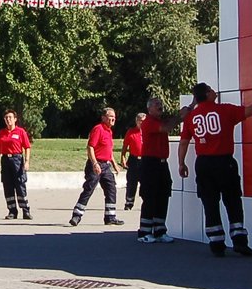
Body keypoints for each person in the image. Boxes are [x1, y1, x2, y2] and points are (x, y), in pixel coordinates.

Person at [178, 82, 252, 257]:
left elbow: (184, 142)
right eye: (211, 90)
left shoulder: (191, 117)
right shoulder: (224, 110)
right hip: (224, 162)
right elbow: (250, 110)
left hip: (203, 164)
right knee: (233, 201)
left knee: (210, 203)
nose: (214, 91)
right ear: (208, 94)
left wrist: (181, 163)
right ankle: (239, 240)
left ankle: (216, 242)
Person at [69, 108, 128, 228]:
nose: (113, 119)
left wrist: (114, 164)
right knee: (89, 189)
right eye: (110, 116)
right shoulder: (98, 129)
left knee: (111, 189)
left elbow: (108, 150)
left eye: (114, 117)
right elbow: (90, 147)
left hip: (106, 166)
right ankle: (76, 215)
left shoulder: (109, 131)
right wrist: (95, 163)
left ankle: (110, 217)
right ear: (103, 117)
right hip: (95, 164)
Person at [134, 97, 175, 244]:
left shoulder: (159, 121)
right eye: (157, 104)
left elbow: (166, 125)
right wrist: (181, 116)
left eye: (161, 104)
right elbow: (166, 128)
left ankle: (159, 230)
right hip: (150, 163)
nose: (160, 106)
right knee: (150, 196)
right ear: (149, 108)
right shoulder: (149, 122)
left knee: (163, 195)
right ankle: (145, 231)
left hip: (162, 164)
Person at [0, 109, 32, 220]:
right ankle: (12, 211)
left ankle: (26, 210)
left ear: (15, 119)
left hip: (17, 160)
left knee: (20, 185)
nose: (8, 119)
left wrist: (27, 161)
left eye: (10, 117)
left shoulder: (20, 132)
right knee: (8, 186)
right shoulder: (2, 133)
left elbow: (27, 147)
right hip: (5, 160)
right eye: (6, 118)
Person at [120, 113, 144, 210]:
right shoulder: (131, 132)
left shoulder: (148, 132)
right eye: (140, 121)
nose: (141, 123)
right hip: (134, 159)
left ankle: (146, 202)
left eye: (143, 121)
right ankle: (129, 202)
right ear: (136, 121)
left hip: (145, 160)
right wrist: (123, 157)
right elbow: (125, 146)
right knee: (131, 182)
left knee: (145, 182)